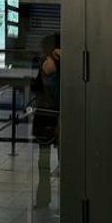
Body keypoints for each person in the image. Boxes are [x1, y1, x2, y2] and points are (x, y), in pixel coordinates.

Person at [32, 32, 61, 209]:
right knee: (63, 159)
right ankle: (65, 200)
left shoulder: (47, 62)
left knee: (43, 161)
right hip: (57, 113)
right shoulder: (63, 62)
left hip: (45, 113)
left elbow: (39, 87)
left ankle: (43, 198)